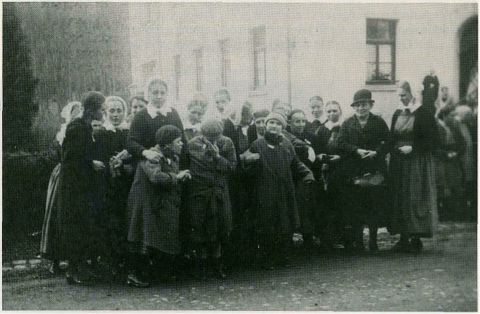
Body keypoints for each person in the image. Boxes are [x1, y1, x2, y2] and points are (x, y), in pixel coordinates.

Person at [243, 112, 314, 269]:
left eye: (277, 123)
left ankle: (283, 256)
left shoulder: (287, 144)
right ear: (266, 126)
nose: (274, 126)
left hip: (284, 190)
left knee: (284, 223)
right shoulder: (257, 144)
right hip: (265, 191)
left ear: (282, 127)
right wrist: (249, 162)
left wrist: (307, 173)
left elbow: (295, 163)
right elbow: (247, 167)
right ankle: (267, 258)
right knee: (267, 224)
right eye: (271, 123)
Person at [126, 125, 190, 287]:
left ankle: (156, 272)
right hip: (145, 204)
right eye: (178, 141)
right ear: (167, 144)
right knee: (144, 237)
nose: (182, 144)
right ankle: (135, 274)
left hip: (158, 203)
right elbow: (156, 177)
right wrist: (177, 177)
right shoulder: (152, 156)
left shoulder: (172, 156)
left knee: (158, 236)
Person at [57, 91, 107, 285]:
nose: (103, 112)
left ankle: (80, 267)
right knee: (75, 226)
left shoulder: (85, 127)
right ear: (92, 109)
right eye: (101, 108)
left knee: (84, 225)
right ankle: (73, 270)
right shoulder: (77, 128)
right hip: (74, 187)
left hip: (83, 186)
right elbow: (69, 159)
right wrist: (91, 163)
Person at [389, 81, 440, 253]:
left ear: (411, 94)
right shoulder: (397, 113)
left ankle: (416, 238)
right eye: (399, 95)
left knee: (415, 197)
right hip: (400, 161)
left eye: (403, 95)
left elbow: (433, 140)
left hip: (418, 162)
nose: (401, 98)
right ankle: (403, 238)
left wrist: (413, 148)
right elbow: (392, 137)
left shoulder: (424, 113)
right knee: (400, 197)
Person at [337, 89, 390, 253]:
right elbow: (340, 143)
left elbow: (388, 141)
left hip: (375, 170)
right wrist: (355, 150)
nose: (361, 108)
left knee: (374, 206)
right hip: (355, 171)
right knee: (357, 207)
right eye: (358, 105)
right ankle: (359, 242)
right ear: (354, 107)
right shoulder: (347, 124)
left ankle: (373, 242)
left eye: (364, 105)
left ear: (370, 105)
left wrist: (377, 152)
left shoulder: (378, 122)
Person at [185, 119, 237, 279]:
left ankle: (217, 264)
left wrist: (217, 156)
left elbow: (232, 167)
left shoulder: (227, 143)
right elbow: (187, 164)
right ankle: (201, 265)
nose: (211, 139)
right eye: (208, 136)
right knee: (199, 227)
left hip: (218, 191)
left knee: (219, 228)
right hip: (198, 192)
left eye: (215, 136)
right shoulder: (193, 144)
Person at [39, 101, 83, 275]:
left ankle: (77, 259)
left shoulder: (84, 131)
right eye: (74, 113)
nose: (77, 117)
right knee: (57, 216)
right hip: (62, 177)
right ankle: (54, 259)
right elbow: (55, 156)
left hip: (79, 177)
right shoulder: (62, 134)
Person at [95, 96, 133, 275]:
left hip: (126, 183)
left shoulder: (129, 133)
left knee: (126, 218)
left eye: (119, 111)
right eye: (112, 111)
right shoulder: (100, 133)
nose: (116, 114)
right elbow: (97, 158)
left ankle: (126, 259)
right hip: (106, 184)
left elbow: (134, 155)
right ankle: (112, 260)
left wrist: (124, 164)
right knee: (110, 220)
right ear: (105, 112)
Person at [222, 101, 256, 267]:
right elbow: (232, 155)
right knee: (234, 214)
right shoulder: (229, 127)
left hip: (242, 178)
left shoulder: (245, 129)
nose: (250, 119)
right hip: (233, 179)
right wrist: (245, 157)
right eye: (248, 115)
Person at [127, 79, 184, 164]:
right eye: (155, 93)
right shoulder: (141, 115)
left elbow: (183, 139)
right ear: (148, 94)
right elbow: (130, 142)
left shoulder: (173, 113)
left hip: (171, 164)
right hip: (147, 165)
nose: (159, 96)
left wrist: (184, 167)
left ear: (167, 94)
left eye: (162, 93)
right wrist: (145, 152)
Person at [312, 101, 344, 250]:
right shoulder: (321, 130)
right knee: (326, 204)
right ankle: (327, 239)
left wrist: (341, 158)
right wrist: (321, 157)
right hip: (326, 171)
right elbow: (315, 151)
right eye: (329, 111)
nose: (332, 114)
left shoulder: (346, 128)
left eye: (335, 111)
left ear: (340, 111)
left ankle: (343, 238)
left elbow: (350, 147)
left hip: (342, 170)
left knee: (341, 204)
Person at [285, 109, 318, 250]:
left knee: (307, 208)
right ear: (289, 122)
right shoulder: (285, 136)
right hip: (291, 176)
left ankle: (308, 238)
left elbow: (316, 156)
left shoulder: (310, 136)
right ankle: (288, 239)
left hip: (306, 177)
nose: (300, 124)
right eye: (297, 121)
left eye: (303, 121)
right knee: (291, 208)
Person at [436, 104, 465, 221]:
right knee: (442, 187)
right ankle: (443, 214)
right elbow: (434, 146)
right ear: (444, 115)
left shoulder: (454, 127)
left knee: (455, 186)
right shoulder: (437, 128)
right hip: (441, 162)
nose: (453, 118)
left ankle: (454, 213)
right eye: (451, 116)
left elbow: (462, 143)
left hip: (454, 161)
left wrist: (456, 153)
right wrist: (445, 154)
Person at [455, 104, 477, 218]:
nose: (471, 116)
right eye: (468, 114)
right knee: (462, 184)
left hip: (468, 160)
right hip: (461, 160)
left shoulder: (466, 125)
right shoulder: (457, 125)